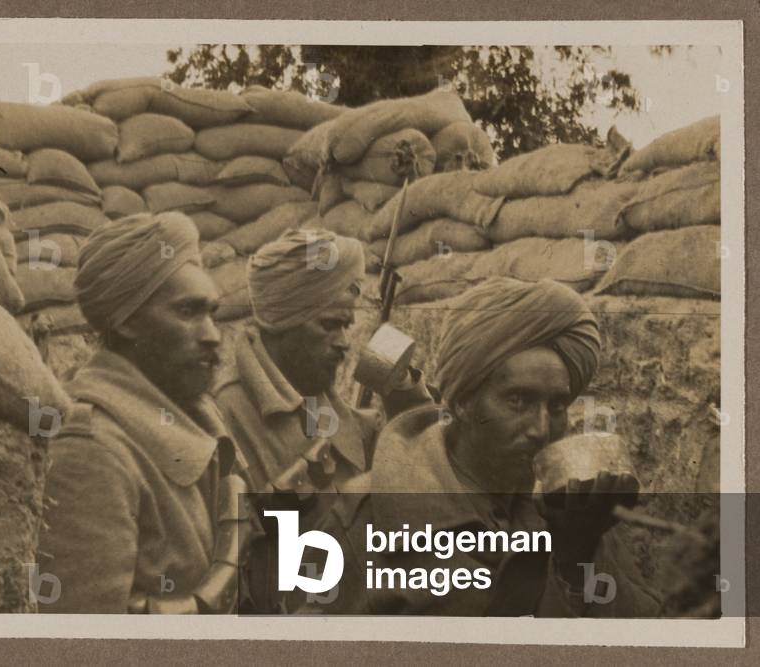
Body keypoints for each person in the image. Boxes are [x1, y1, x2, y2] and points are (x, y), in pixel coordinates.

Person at [303, 278, 662, 616]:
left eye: (557, 407)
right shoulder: (364, 517)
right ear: (462, 403)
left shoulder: (575, 511)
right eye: (518, 401)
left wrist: (580, 553)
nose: (541, 430)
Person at [37, 212, 250, 614]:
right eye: (187, 312)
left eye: (212, 313)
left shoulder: (197, 418)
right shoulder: (91, 452)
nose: (212, 335)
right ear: (127, 322)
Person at [213, 229, 433, 496]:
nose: (344, 343)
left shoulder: (308, 385)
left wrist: (403, 388)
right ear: (285, 323)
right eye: (329, 325)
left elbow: (397, 459)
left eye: (345, 327)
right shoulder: (226, 413)